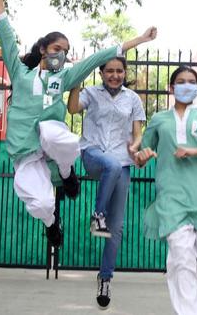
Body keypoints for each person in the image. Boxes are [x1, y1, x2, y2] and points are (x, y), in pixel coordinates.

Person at [0, 0, 156, 247]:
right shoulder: (21, 73)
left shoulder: (64, 77)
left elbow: (98, 58)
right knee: (42, 203)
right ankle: (51, 223)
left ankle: (68, 174)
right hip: (25, 151)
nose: (62, 54)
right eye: (57, 48)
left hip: (52, 142)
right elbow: (5, 34)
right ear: (44, 48)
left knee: (57, 134)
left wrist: (138, 40)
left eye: (66, 51)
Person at [134, 66, 197, 315]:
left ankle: (194, 299)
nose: (186, 85)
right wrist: (142, 155)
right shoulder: (159, 119)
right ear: (171, 88)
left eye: (191, 81)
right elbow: (140, 156)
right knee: (181, 260)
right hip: (171, 197)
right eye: (180, 82)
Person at [67, 57, 145, 309]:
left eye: (119, 71)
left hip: (123, 161)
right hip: (93, 153)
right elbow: (72, 109)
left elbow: (137, 133)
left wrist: (135, 147)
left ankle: (105, 277)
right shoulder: (91, 92)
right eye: (109, 70)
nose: (115, 75)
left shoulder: (132, 98)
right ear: (101, 73)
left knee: (117, 227)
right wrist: (76, 81)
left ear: (125, 73)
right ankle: (97, 214)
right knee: (110, 165)